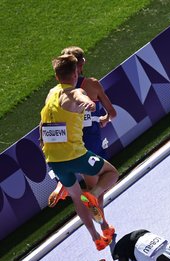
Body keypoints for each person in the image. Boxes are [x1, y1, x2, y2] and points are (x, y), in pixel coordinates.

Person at [39, 54, 118, 250]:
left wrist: (43, 144)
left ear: (57, 76)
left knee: (76, 197)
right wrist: (88, 103)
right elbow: (79, 97)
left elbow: (42, 126)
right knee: (111, 174)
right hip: (76, 155)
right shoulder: (74, 93)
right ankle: (93, 195)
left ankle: (96, 238)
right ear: (76, 74)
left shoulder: (51, 94)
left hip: (53, 159)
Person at [49, 46, 118, 209]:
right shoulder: (92, 85)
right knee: (98, 189)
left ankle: (62, 184)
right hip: (91, 143)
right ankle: (103, 229)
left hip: (69, 143)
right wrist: (104, 119)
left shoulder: (58, 92)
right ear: (82, 64)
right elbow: (112, 113)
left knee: (90, 184)